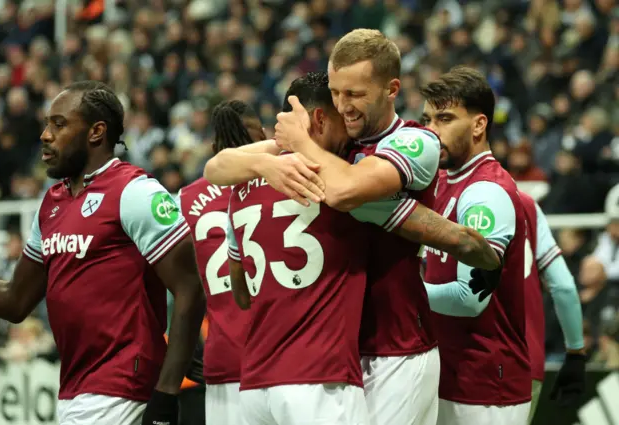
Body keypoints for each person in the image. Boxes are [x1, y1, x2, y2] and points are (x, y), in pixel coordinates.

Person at [205, 31, 501, 424]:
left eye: (355, 94)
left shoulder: (414, 141)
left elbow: (346, 191)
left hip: (395, 350)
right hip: (332, 354)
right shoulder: (333, 146)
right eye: (336, 92)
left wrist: (298, 145)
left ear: (391, 89)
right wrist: (267, 163)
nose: (343, 106)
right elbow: (217, 167)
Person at [0, 81, 204, 425]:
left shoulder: (135, 192)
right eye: (46, 124)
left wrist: (167, 393)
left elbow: (190, 289)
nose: (45, 135)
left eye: (58, 124)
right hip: (75, 390)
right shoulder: (52, 203)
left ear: (96, 132)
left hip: (125, 388)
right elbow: (15, 299)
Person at [420, 66, 531, 425]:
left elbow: (470, 299)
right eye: (428, 120)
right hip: (449, 376)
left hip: (486, 387)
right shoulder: (440, 181)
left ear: (479, 125)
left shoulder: (486, 191)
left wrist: (405, 294)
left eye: (445, 119)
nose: (431, 131)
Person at [177, 99, 267, 425]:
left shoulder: (185, 200)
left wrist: (181, 347)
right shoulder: (286, 184)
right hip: (286, 356)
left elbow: (178, 285)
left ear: (215, 147)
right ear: (265, 138)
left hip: (224, 359)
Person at [517, 191, 585, 424]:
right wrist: (575, 352)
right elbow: (564, 286)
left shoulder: (435, 193)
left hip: (455, 356)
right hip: (524, 359)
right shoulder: (525, 204)